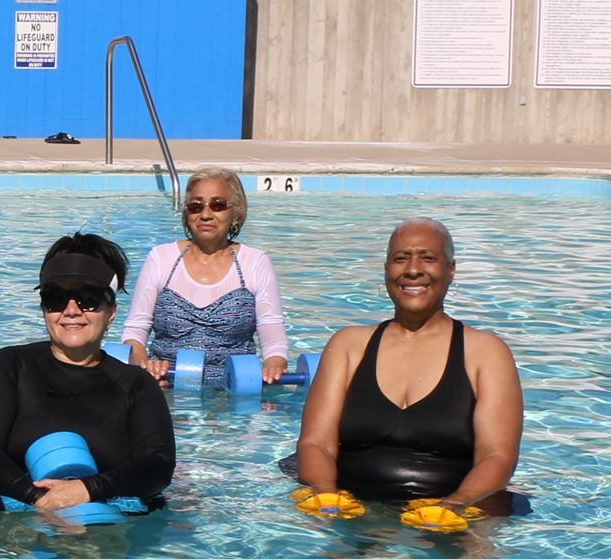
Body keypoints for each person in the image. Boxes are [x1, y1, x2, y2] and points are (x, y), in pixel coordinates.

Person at [294, 218, 523, 525]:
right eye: (401, 258)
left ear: (451, 269)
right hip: (353, 504)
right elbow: (315, 443)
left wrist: (452, 506)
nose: (413, 270)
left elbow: (497, 456)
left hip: (455, 509)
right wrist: (326, 495)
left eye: (428, 258)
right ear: (387, 269)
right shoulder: (349, 345)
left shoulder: (486, 352)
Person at [0, 233, 176, 513]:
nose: (71, 311)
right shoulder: (12, 365)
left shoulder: (136, 386)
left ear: (111, 311)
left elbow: (158, 467)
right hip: (17, 521)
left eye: (88, 299)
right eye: (56, 299)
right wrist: (36, 498)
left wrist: (87, 490)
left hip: (107, 524)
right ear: (43, 308)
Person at [122, 167, 290, 387]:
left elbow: (274, 342)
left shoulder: (255, 263)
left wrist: (274, 366)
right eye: (195, 206)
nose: (206, 214)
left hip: (234, 389)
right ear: (187, 213)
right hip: (165, 385)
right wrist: (145, 367)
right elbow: (135, 330)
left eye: (218, 205)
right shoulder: (161, 258)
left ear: (235, 213)